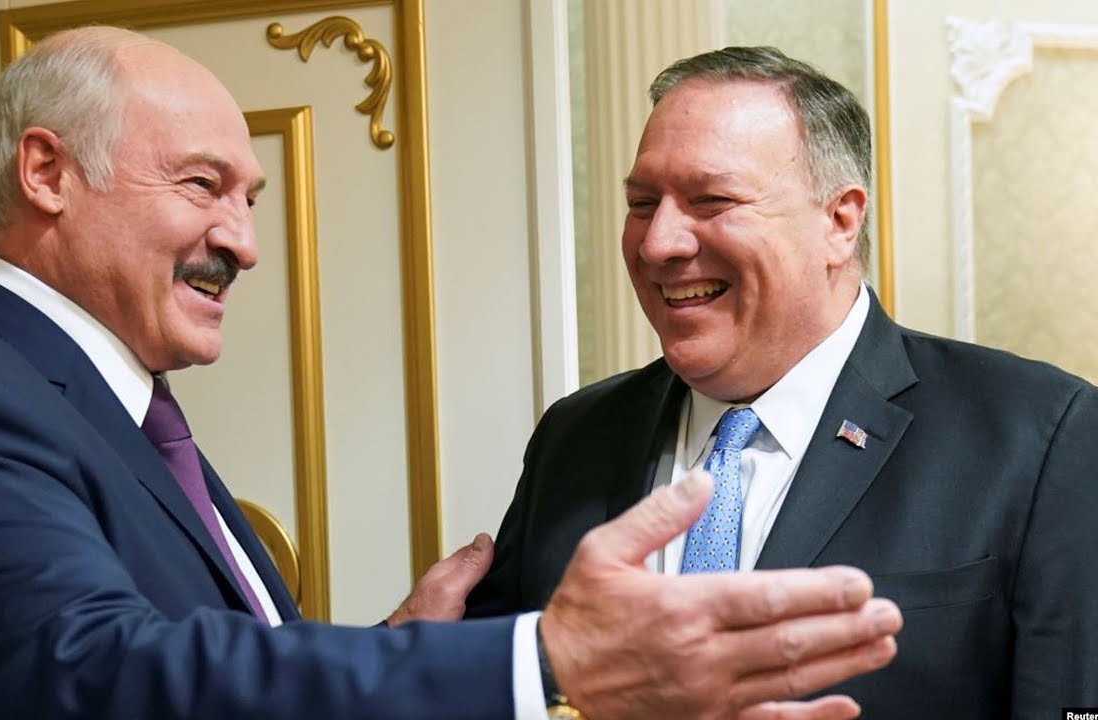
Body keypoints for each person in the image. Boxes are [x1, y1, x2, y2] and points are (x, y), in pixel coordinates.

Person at [0, 29, 902, 720]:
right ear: (47, 173)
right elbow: (100, 676)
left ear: (839, 221)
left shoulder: (113, 411)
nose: (243, 243)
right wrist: (540, 661)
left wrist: (395, 654)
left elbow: (209, 670)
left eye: (249, 198)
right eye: (202, 185)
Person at [465, 44, 1098, 717]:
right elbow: (502, 689)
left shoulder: (1038, 436)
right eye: (643, 203)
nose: (658, 243)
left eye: (712, 200)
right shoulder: (576, 435)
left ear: (839, 222)